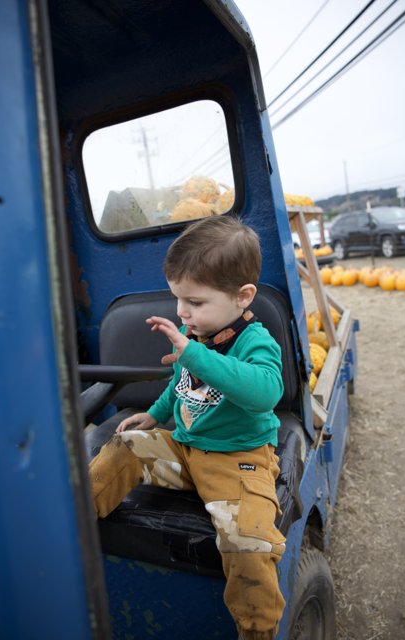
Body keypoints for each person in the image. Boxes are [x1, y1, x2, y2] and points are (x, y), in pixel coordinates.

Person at [89, 215, 286, 640]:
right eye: (179, 299)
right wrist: (157, 415)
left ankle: (257, 629)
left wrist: (192, 356)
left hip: (238, 458)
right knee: (125, 444)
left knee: (250, 543)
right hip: (185, 449)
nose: (182, 312)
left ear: (242, 296)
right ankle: (75, 523)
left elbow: (264, 393)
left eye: (195, 302)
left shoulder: (256, 342)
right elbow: (182, 386)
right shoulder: (194, 334)